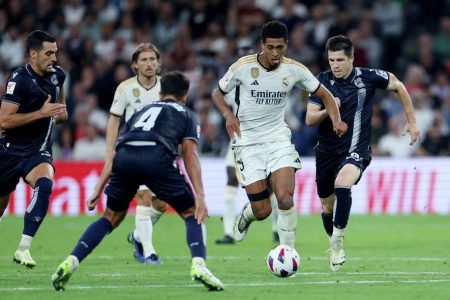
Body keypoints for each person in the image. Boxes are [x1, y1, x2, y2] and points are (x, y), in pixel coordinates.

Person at [51, 70, 224, 291]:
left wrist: (99, 186)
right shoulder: (186, 113)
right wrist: (200, 194)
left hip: (125, 158)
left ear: (160, 94)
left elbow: (117, 149)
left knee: (110, 217)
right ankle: (199, 265)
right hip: (157, 156)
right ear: (185, 96)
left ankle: (71, 261)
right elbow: (189, 153)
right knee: (192, 213)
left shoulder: (141, 111)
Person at [211, 20, 347, 250]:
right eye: (270, 47)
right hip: (248, 143)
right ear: (262, 44)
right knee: (262, 211)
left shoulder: (294, 69)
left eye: (280, 48)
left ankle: (288, 252)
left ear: (286, 45)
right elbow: (217, 92)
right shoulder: (243, 66)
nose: (275, 53)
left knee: (285, 198)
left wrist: (336, 119)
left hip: (278, 140)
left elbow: (325, 94)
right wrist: (227, 114)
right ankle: (246, 216)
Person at [306, 35, 421, 272]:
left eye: (339, 60)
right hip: (326, 152)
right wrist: (330, 108)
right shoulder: (321, 81)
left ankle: (337, 244)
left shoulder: (367, 77)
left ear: (351, 59)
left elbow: (398, 85)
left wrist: (411, 121)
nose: (335, 65)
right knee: (327, 208)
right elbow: (309, 119)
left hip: (356, 149)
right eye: (331, 60)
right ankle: (333, 241)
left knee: (342, 183)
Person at [0, 30, 67, 268]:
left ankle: (23, 248)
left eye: (55, 53)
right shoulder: (19, 79)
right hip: (9, 150)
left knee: (45, 184)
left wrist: (59, 113)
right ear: (33, 54)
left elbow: (61, 111)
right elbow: (5, 121)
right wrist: (41, 113)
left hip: (38, 150)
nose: (54, 59)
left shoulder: (58, 75)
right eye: (49, 54)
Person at [101, 43, 168, 264]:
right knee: (144, 197)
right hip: (134, 152)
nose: (149, 64)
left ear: (158, 63)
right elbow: (114, 119)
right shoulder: (126, 88)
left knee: (161, 205)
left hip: (160, 153)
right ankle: (149, 252)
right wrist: (110, 151)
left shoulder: (166, 87)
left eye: (152, 59)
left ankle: (138, 237)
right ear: (135, 64)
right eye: (144, 60)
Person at [215, 86, 280, 245]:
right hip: (239, 140)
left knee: (271, 187)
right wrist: (228, 115)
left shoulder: (269, 85)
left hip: (264, 142)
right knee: (231, 178)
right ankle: (229, 232)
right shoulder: (233, 85)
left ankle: (277, 230)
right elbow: (219, 97)